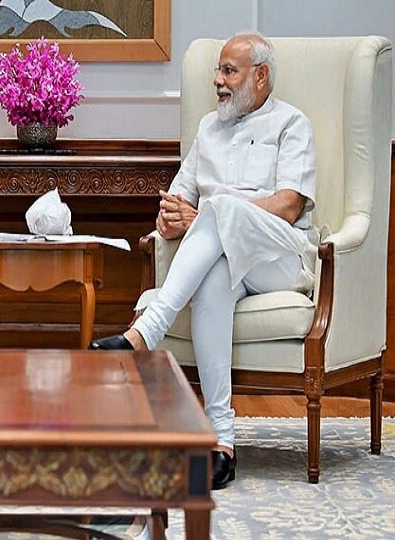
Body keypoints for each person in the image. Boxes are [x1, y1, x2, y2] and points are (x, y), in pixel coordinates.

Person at [89, 32, 318, 490]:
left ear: (261, 76)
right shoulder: (208, 129)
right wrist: (172, 219)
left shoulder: (291, 124)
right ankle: (221, 443)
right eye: (217, 70)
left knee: (219, 209)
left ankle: (145, 331)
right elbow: (175, 202)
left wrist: (212, 213)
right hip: (225, 260)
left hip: (279, 260)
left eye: (228, 71)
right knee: (214, 274)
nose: (217, 81)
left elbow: (290, 205)